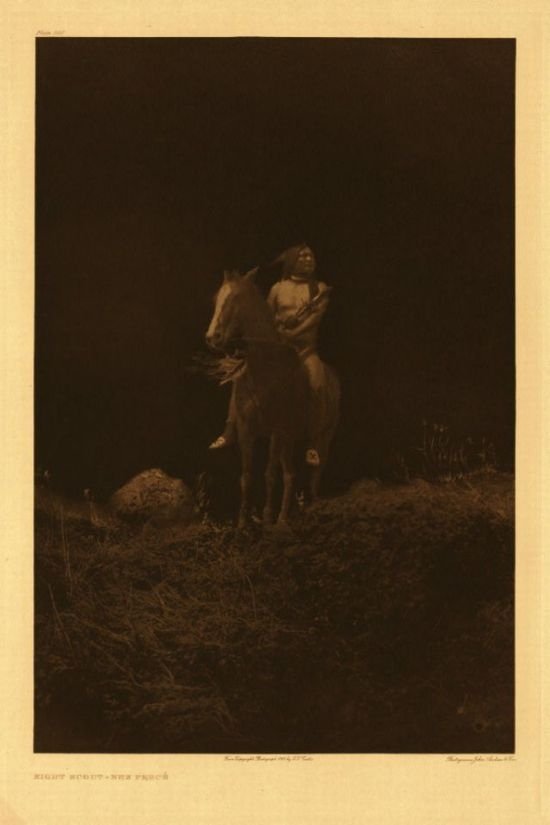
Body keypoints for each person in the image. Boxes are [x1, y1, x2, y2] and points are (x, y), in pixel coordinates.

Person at [209, 243, 331, 466]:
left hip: (304, 351)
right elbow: (268, 316)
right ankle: (229, 429)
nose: (308, 260)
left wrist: (291, 330)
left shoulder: (319, 289)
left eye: (310, 256)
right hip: (280, 349)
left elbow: (314, 321)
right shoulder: (277, 289)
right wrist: (279, 326)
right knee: (241, 375)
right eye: (302, 256)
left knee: (318, 384)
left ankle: (312, 444)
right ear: (292, 260)